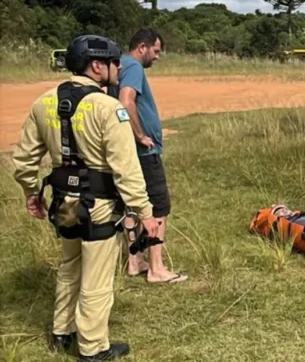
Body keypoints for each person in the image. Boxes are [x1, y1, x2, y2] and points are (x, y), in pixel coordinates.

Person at [11, 34, 159, 360]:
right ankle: (93, 348)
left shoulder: (44, 102)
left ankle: (62, 333)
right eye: (113, 62)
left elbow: (23, 161)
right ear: (96, 65)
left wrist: (31, 193)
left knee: (69, 267)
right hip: (100, 207)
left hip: (63, 203)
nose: (119, 67)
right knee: (96, 279)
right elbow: (126, 169)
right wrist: (144, 211)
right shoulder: (110, 108)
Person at [108, 28, 187, 283]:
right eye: (155, 51)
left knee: (130, 205)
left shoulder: (116, 66)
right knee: (159, 206)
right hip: (143, 152)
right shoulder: (132, 66)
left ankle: (135, 261)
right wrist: (142, 136)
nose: (157, 57)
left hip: (125, 151)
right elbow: (126, 100)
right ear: (142, 47)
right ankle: (156, 268)